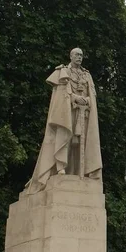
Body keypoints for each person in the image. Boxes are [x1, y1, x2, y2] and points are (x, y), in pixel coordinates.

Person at [27, 48, 102, 193]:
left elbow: (92, 93)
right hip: (67, 111)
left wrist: (87, 100)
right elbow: (62, 92)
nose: (79, 57)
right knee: (65, 137)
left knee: (79, 142)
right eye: (77, 55)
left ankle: (76, 171)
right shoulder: (63, 72)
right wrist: (75, 98)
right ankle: (61, 167)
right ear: (71, 56)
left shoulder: (87, 75)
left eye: (81, 55)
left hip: (83, 113)